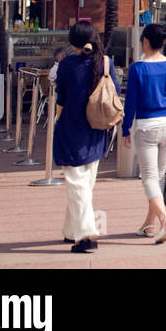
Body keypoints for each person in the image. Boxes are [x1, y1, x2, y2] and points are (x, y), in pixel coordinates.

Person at [54, 21, 120, 254]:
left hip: (72, 127)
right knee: (85, 182)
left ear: (73, 41)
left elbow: (61, 97)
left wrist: (57, 121)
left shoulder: (67, 65)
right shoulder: (105, 62)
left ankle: (85, 234)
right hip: (97, 127)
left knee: (76, 182)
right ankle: (71, 229)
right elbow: (115, 91)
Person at [121, 24, 166, 245]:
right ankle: (149, 224)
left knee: (148, 177)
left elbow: (131, 102)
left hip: (147, 124)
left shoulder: (138, 68)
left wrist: (125, 128)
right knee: (157, 175)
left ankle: (164, 219)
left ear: (145, 41)